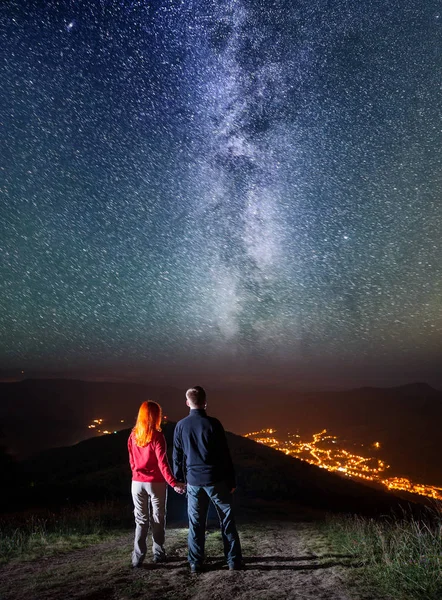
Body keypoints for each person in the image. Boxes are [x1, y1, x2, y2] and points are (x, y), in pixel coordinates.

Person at [173, 386, 243, 573]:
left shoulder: (181, 426)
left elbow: (177, 456)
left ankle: (196, 563)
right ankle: (233, 561)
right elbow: (224, 456)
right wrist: (231, 481)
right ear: (205, 402)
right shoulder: (214, 424)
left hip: (193, 482)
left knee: (196, 524)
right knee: (227, 520)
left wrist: (179, 479)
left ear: (187, 403)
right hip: (216, 480)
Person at [128, 400, 185, 568]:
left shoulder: (133, 435)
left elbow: (132, 462)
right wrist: (173, 483)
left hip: (137, 483)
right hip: (156, 483)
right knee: (158, 518)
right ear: (156, 416)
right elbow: (163, 464)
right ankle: (158, 554)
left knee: (141, 520)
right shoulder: (157, 436)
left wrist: (137, 476)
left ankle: (137, 558)